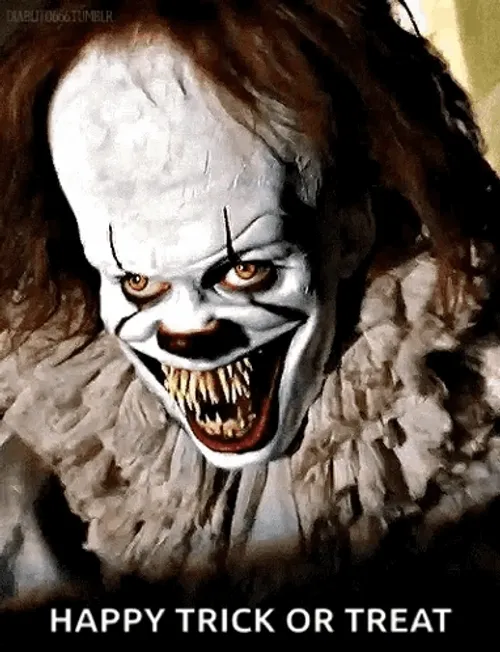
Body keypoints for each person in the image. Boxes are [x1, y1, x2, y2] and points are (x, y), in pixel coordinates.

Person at [1, 0, 500, 617]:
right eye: (138, 281)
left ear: (354, 224)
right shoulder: (48, 472)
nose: (187, 331)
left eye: (245, 270)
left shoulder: (469, 450)